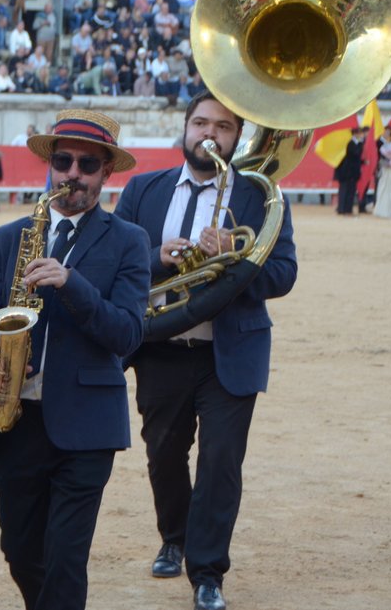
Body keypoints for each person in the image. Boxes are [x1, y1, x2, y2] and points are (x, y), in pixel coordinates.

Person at [113, 90, 297, 610]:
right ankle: (174, 537)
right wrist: (155, 257)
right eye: (200, 123)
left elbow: (284, 272)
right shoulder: (142, 189)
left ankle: (208, 573)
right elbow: (114, 267)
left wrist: (236, 259)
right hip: (161, 346)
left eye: (222, 127)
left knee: (221, 462)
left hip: (230, 354)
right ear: (185, 127)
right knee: (164, 456)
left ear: (238, 138)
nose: (209, 135)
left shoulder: (260, 197)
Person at [0, 110, 151, 610]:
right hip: (17, 418)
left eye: (87, 164)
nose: (73, 173)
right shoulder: (9, 237)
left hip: (88, 427)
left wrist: (73, 284)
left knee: (66, 558)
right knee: (20, 549)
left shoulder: (129, 241)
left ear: (106, 173)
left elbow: (128, 334)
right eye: (64, 160)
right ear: (51, 165)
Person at [334, 127, 366, 215]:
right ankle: (343, 209)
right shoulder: (350, 143)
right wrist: (361, 144)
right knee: (345, 191)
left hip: (352, 172)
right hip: (346, 172)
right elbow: (355, 154)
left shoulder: (354, 143)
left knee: (350, 191)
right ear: (355, 134)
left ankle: (347, 209)